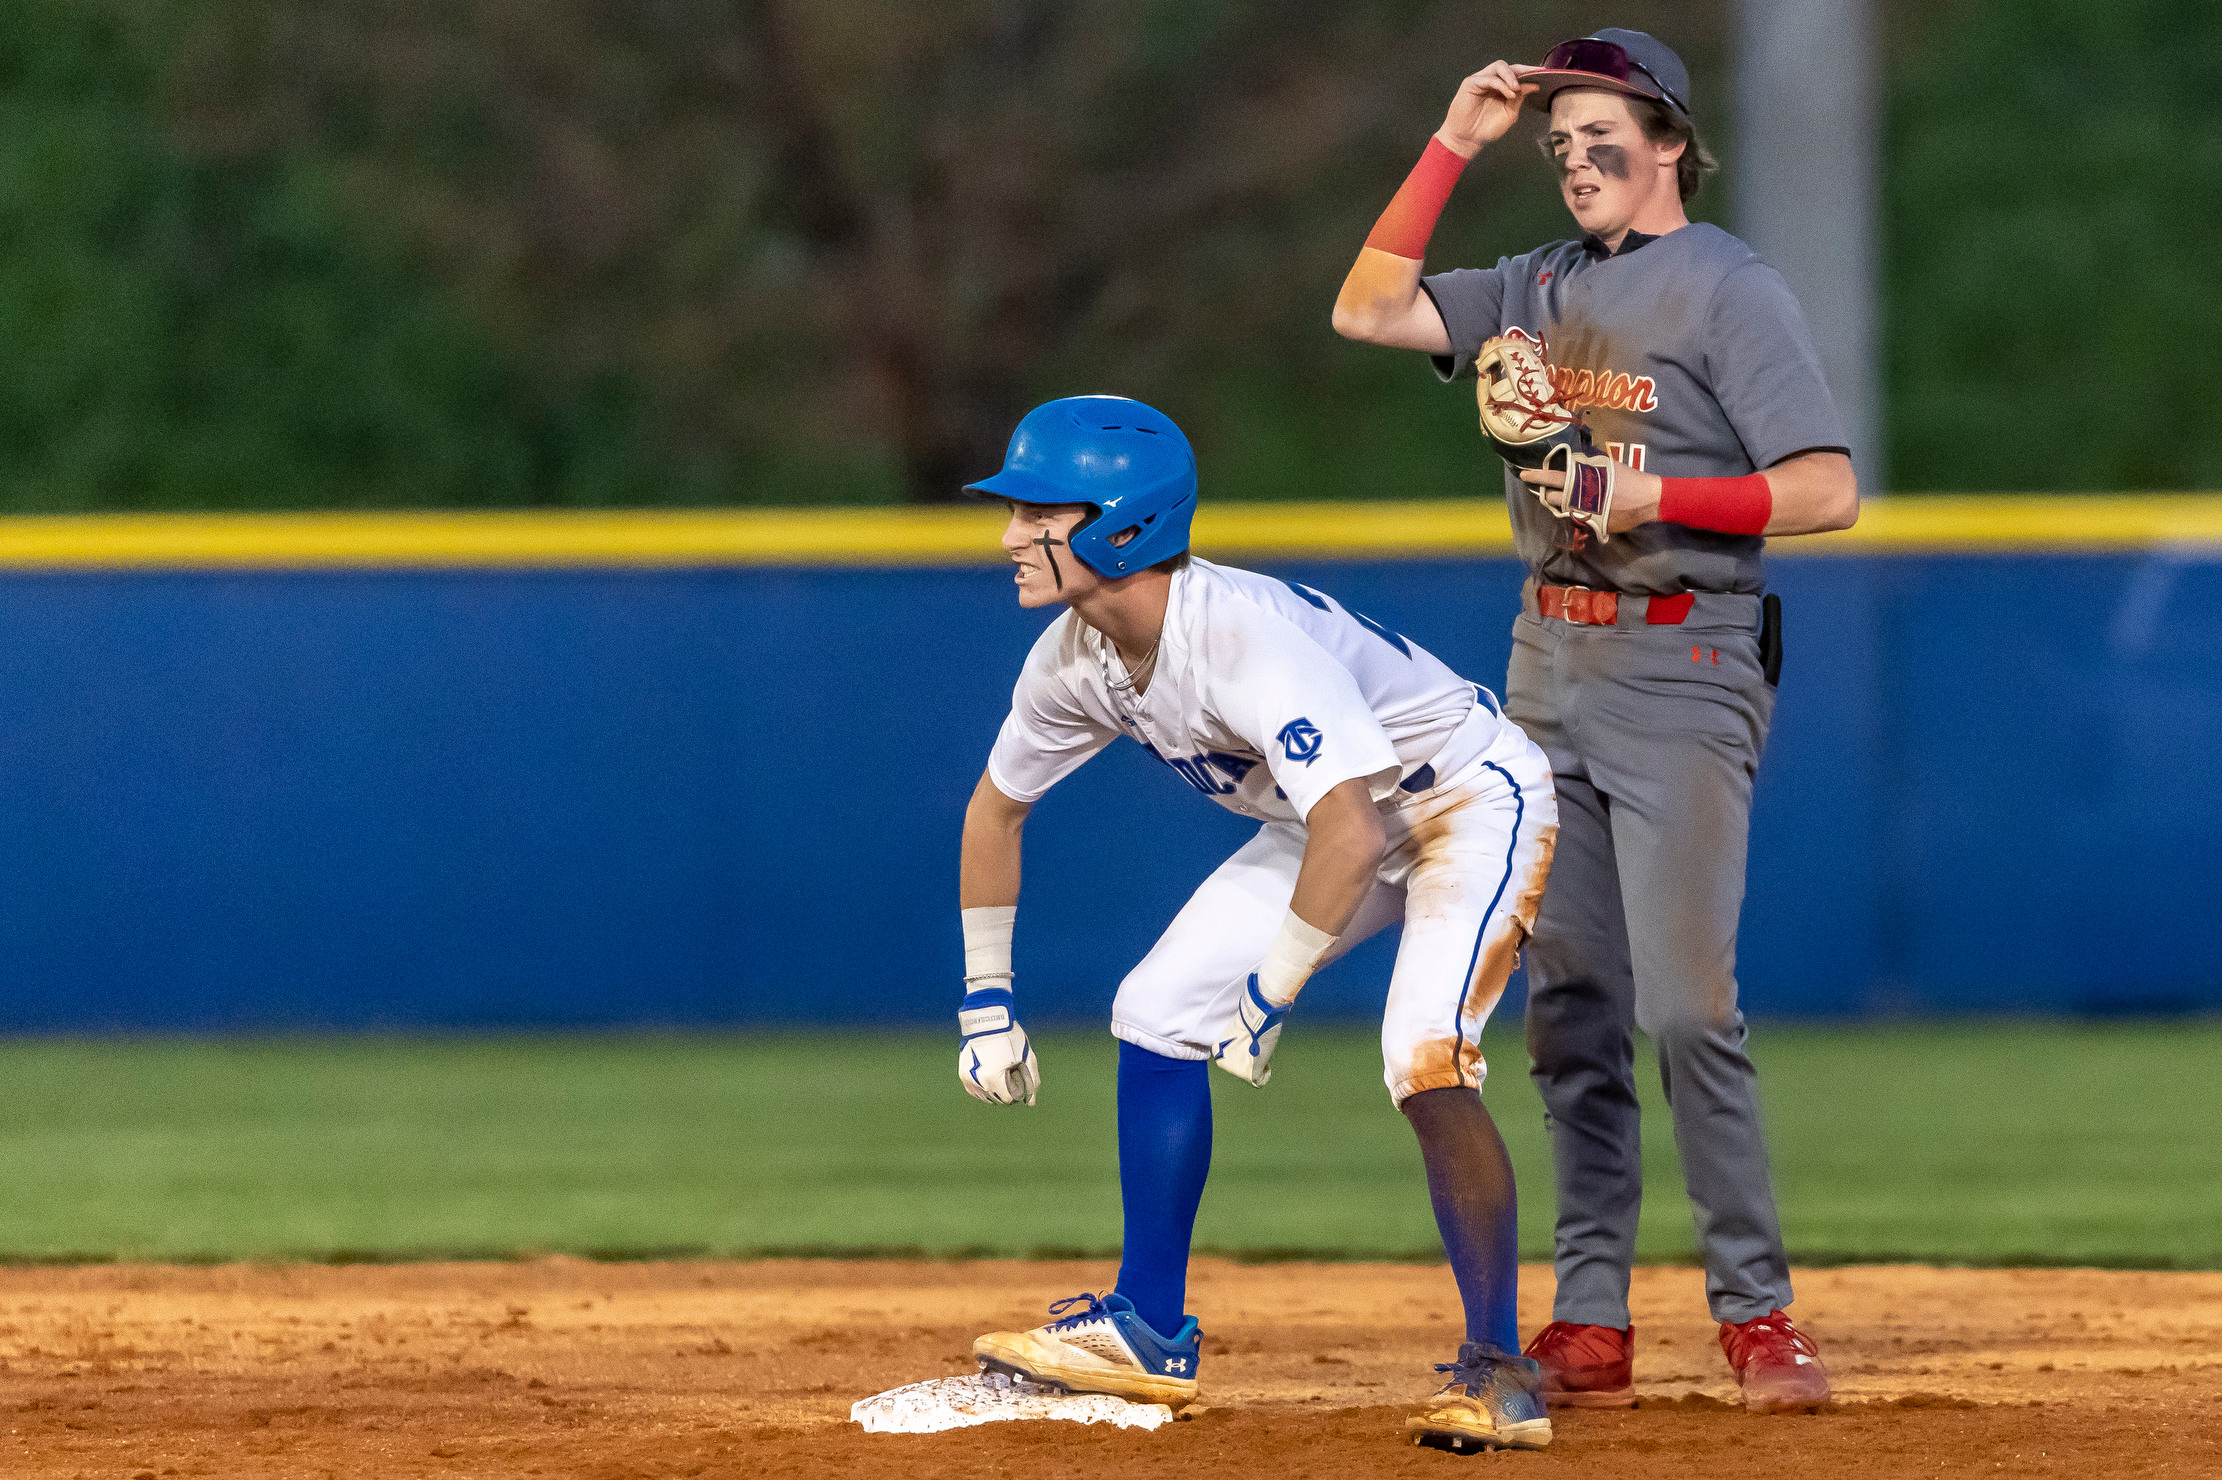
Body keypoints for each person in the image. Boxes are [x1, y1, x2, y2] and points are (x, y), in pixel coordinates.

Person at [1329, 29, 1858, 1414]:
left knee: (1686, 1008)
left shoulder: (1727, 285)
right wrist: (1454, 142)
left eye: (1599, 133)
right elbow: (1367, 310)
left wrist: (1654, 497)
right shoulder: (1532, 285)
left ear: (1669, 140)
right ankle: (1589, 1315)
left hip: (1684, 653)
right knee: (1568, 1008)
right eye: (1557, 140)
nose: (1573, 157)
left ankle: (1755, 1312)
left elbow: (1823, 489)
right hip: (1546, 659)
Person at [955, 394, 1561, 1451]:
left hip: (1465, 796)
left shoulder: (1236, 639)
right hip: (1332, 820)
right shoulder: (1072, 657)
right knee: (1157, 1009)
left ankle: (1501, 1371)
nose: (1011, 535)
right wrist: (985, 998)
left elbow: (1354, 829)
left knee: (1421, 1055)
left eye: (1039, 513)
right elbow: (995, 810)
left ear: (1123, 525)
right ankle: (1147, 1329)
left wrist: (1270, 990)